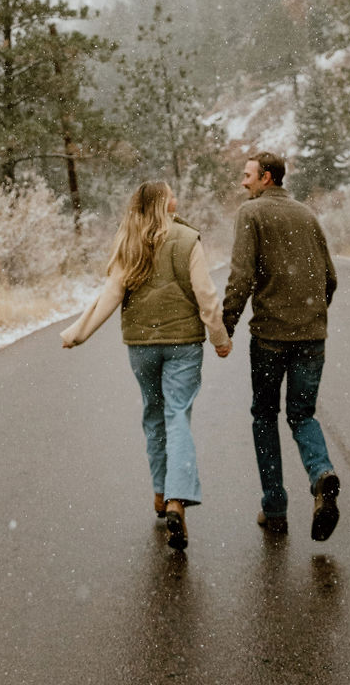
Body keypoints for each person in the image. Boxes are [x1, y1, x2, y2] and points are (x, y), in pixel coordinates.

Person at [61, 181, 231, 551]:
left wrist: (78, 333)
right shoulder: (188, 239)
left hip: (142, 346)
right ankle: (176, 498)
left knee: (154, 416)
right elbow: (206, 295)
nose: (176, 199)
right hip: (184, 343)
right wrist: (219, 338)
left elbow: (110, 295)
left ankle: (159, 492)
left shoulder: (130, 241)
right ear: (164, 203)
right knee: (178, 415)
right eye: (171, 194)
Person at [222, 151, 340, 541]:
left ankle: (275, 508)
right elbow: (330, 279)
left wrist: (227, 323)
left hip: (271, 336)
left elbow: (241, 276)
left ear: (267, 178)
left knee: (264, 415)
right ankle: (321, 474)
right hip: (312, 335)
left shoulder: (251, 214)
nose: (243, 182)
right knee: (303, 415)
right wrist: (310, 316)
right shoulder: (307, 214)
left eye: (248, 176)